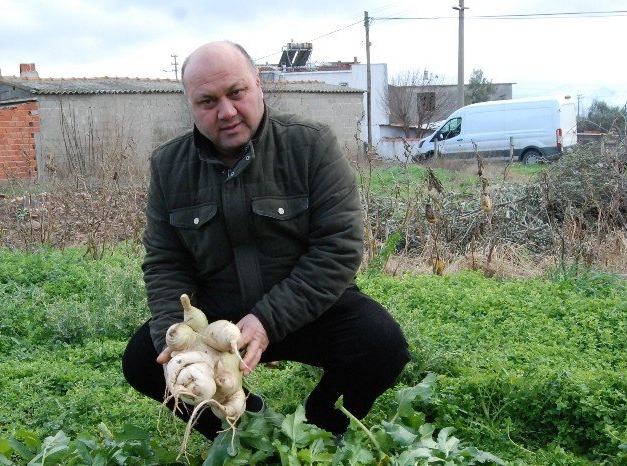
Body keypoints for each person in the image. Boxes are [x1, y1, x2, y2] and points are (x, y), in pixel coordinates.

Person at [121, 40, 410, 441]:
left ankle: (322, 428)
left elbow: (338, 249)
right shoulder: (169, 166)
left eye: (236, 93)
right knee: (144, 362)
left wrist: (268, 319)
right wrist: (182, 344)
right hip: (219, 322)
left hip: (304, 309)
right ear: (190, 104)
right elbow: (166, 262)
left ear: (258, 85)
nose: (226, 112)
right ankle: (244, 427)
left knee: (382, 345)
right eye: (207, 101)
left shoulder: (310, 146)